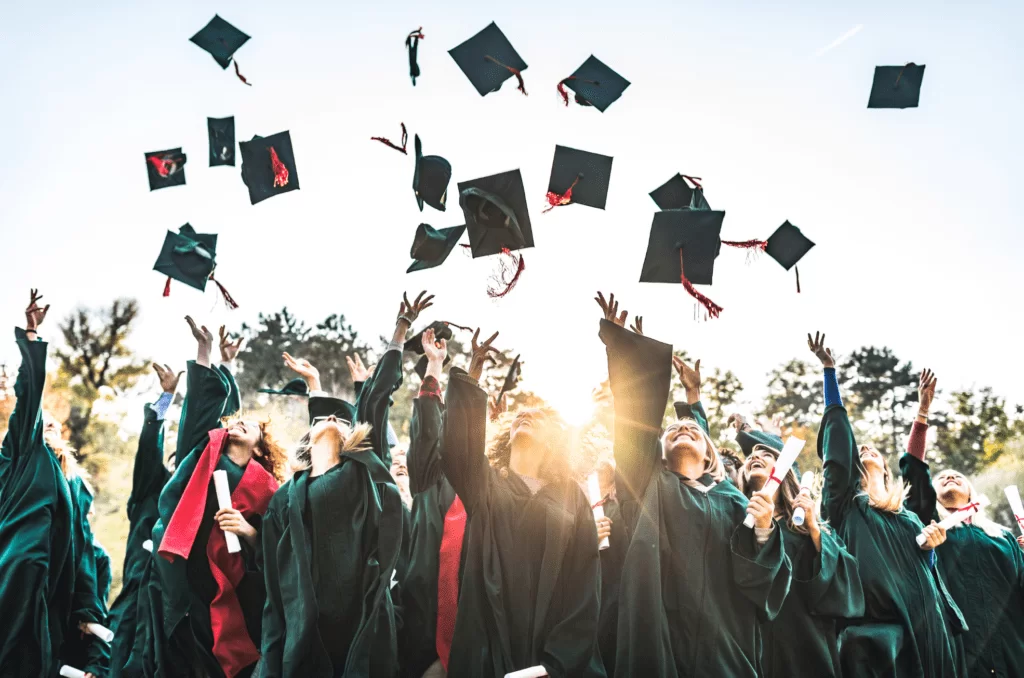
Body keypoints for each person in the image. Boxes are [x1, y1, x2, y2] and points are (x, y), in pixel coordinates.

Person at [596, 291, 791, 677]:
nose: (683, 426)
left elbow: (762, 586)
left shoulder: (734, 502)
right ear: (660, 453)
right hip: (660, 644)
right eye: (673, 429)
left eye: (693, 429)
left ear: (709, 455)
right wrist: (624, 351)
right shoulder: (646, 486)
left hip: (727, 649)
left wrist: (766, 529)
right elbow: (634, 423)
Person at [260, 291, 430, 677]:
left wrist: (400, 331)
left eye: (342, 420)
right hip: (307, 622)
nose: (334, 421)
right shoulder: (287, 497)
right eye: (325, 419)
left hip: (361, 617)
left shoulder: (360, 472)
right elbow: (273, 571)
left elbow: (376, 399)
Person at [439, 325, 605, 677]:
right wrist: (473, 377)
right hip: (489, 642)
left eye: (538, 417)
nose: (525, 416)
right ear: (507, 436)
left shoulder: (571, 496)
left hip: (552, 654)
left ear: (554, 441)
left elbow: (584, 580)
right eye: (519, 416)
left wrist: (553, 665)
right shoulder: (483, 482)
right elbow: (457, 447)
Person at [809, 331, 967, 677]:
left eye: (872, 450)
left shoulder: (908, 517)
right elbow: (837, 451)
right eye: (858, 450)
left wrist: (931, 547)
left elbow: (925, 569)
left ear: (884, 465)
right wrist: (829, 373)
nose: (864, 450)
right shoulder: (844, 506)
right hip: (877, 641)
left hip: (928, 629)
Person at [152, 319, 285, 678]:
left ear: (260, 449)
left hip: (231, 594)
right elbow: (200, 409)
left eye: (250, 425)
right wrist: (205, 352)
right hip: (181, 577)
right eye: (235, 421)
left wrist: (248, 531)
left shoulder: (270, 491)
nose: (238, 423)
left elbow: (281, 551)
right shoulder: (205, 453)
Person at [900, 369, 1024, 677]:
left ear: (971, 491)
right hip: (956, 650)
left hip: (1011, 648)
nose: (950, 476)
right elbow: (915, 471)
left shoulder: (1002, 537)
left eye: (957, 476)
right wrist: (923, 412)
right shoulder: (928, 526)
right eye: (941, 477)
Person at [735, 427, 865, 677]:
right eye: (749, 456)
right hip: (752, 643)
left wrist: (815, 530)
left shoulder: (806, 527)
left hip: (805, 642)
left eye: (765, 452)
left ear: (784, 471)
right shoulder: (735, 524)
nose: (754, 456)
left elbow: (845, 586)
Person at [0, 290, 83, 676]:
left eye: (54, 422)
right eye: (41, 419)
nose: (47, 422)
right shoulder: (21, 452)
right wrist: (31, 337)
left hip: (49, 584)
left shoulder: (67, 478)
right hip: (17, 572)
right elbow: (29, 395)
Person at [399, 327, 468, 678]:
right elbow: (427, 426)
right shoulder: (429, 480)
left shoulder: (484, 489)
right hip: (423, 623)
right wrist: (434, 366)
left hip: (472, 625)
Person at [108, 364, 179, 677]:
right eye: (176, 463)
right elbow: (150, 447)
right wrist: (167, 397)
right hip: (134, 601)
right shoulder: (152, 492)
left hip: (174, 606)